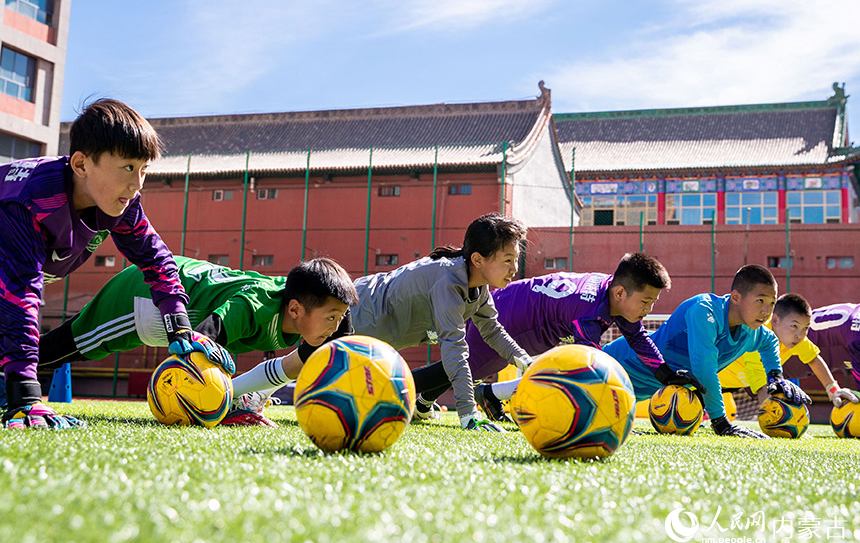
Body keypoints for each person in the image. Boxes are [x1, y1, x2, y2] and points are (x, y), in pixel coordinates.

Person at [0, 99, 231, 429]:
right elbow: (18, 298)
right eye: (127, 168)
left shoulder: (120, 203)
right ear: (81, 165)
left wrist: (179, 326)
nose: (137, 184)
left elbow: (156, 261)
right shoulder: (28, 202)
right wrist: (26, 399)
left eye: (143, 170)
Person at [230, 213, 532, 431]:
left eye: (515, 259)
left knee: (306, 362)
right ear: (478, 259)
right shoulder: (449, 281)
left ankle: (246, 394)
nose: (514, 268)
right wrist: (468, 414)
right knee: (302, 361)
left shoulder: (477, 288)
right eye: (507, 260)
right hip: (358, 312)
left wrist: (524, 362)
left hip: (375, 327)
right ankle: (232, 393)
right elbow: (454, 345)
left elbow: (493, 331)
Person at [40, 256, 358, 426]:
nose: (335, 325)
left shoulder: (304, 304)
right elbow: (204, 336)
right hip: (144, 298)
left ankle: (244, 398)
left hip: (176, 301)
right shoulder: (255, 306)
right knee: (63, 349)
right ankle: (11, 375)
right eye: (331, 317)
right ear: (294, 309)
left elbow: (341, 341)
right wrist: (208, 406)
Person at [410, 252, 704, 422]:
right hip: (509, 318)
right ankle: (396, 384)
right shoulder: (587, 311)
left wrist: (666, 374)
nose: (648, 309)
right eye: (646, 302)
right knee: (464, 369)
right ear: (620, 293)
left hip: (519, 313)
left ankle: (423, 403)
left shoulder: (615, 294)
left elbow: (637, 337)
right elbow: (591, 368)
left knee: (470, 369)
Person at [603, 264, 811, 438]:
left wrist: (775, 376)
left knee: (612, 420)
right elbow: (704, 370)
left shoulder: (751, 332)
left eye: (772, 303)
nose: (766, 311)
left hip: (644, 391)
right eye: (760, 300)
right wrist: (721, 423)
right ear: (736, 297)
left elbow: (770, 343)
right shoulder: (704, 310)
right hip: (619, 363)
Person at [719, 293, 859, 413]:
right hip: (705, 377)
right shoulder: (757, 337)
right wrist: (777, 420)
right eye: (794, 326)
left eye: (805, 328)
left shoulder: (795, 337)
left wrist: (833, 390)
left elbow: (814, 359)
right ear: (775, 321)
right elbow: (763, 389)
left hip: (725, 381)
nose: (800, 334)